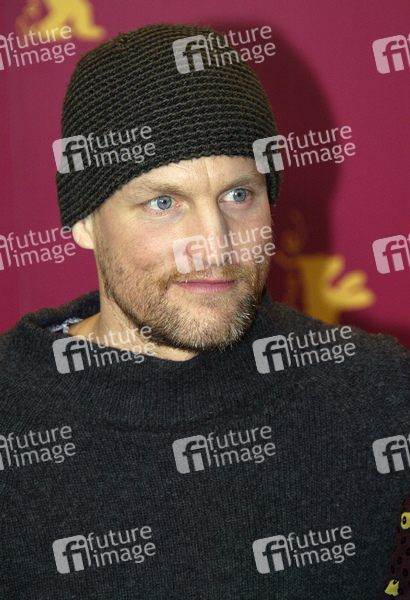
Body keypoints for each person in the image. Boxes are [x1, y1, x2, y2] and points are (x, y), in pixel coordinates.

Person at [0, 23, 409, 600]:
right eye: (164, 202)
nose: (215, 247)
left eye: (238, 195)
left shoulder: (383, 395)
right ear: (84, 221)